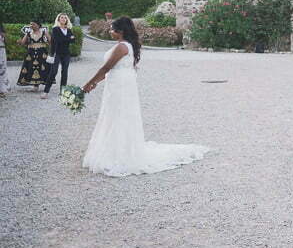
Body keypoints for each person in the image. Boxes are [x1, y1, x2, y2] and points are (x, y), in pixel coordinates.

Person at [81, 17, 209, 177]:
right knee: (117, 115)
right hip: (120, 83)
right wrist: (95, 83)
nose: (110, 31)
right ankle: (120, 147)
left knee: (118, 115)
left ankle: (119, 152)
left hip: (120, 86)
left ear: (120, 32)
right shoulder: (128, 45)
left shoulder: (122, 47)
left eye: (112, 29)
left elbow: (105, 68)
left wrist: (88, 84)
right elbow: (109, 70)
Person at [42, 13, 76, 99]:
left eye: (65, 18)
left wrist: (68, 39)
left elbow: (73, 40)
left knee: (65, 73)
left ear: (67, 20)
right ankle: (46, 91)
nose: (63, 19)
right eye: (62, 18)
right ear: (58, 19)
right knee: (53, 72)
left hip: (66, 54)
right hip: (56, 53)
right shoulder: (55, 29)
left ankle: (63, 92)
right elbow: (59, 40)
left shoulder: (68, 29)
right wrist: (69, 38)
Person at [16, 21, 49, 90]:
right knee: (31, 67)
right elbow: (23, 42)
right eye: (30, 24)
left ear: (38, 25)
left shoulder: (44, 32)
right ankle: (35, 86)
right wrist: (19, 42)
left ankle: (43, 84)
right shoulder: (28, 33)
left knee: (41, 67)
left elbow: (51, 41)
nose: (31, 25)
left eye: (33, 24)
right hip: (31, 53)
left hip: (42, 53)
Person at [0, 23, 9, 98]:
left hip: (2, 50)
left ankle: (2, 89)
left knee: (2, 69)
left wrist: (3, 36)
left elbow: (6, 42)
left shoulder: (2, 32)